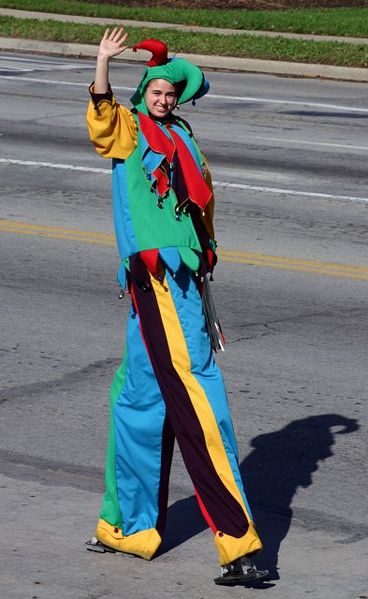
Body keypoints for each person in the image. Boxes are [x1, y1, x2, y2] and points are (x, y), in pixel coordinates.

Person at [85, 27, 268, 586]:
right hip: (157, 280)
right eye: (157, 92)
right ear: (142, 93)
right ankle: (238, 544)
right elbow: (100, 118)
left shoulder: (182, 134)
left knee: (140, 397)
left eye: (171, 94)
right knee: (196, 394)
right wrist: (102, 63)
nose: (164, 100)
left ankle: (126, 528)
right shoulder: (129, 128)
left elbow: (197, 206)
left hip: (186, 278)